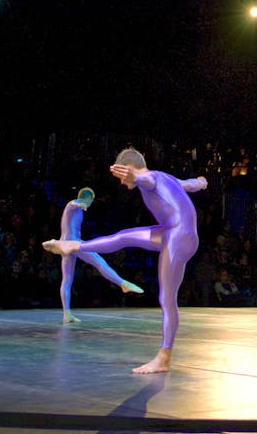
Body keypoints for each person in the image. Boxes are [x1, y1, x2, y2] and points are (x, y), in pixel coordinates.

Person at [44, 148, 207, 373]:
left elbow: (144, 178)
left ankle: (164, 357)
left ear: (128, 168)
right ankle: (73, 245)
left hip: (179, 237)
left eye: (122, 177)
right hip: (174, 233)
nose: (122, 183)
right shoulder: (166, 177)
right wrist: (200, 182)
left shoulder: (149, 178)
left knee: (167, 297)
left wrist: (135, 177)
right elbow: (188, 184)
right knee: (122, 237)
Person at [52, 187, 143, 324]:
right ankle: (122, 283)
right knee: (99, 262)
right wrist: (81, 203)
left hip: (65, 244)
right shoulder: (73, 205)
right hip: (73, 244)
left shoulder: (76, 210)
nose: (90, 204)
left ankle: (67, 314)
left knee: (67, 280)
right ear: (87, 198)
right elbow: (73, 204)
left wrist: (81, 205)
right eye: (90, 201)